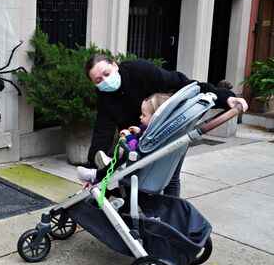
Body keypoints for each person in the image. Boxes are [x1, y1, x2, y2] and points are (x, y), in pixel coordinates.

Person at [85, 55, 248, 197]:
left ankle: (171, 217)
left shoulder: (139, 70)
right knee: (129, 176)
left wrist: (224, 98)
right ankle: (128, 217)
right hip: (141, 136)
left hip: (169, 128)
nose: (105, 81)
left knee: (170, 176)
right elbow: (102, 130)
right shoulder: (104, 94)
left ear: (115, 65)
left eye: (106, 73)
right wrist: (94, 174)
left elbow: (185, 85)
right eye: (98, 80)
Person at [76, 92, 170, 189]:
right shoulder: (156, 131)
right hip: (141, 166)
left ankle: (96, 174)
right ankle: (108, 166)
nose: (140, 117)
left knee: (126, 156)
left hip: (136, 166)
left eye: (144, 115)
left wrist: (128, 136)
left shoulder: (152, 134)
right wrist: (138, 132)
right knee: (123, 158)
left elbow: (137, 148)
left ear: (156, 118)